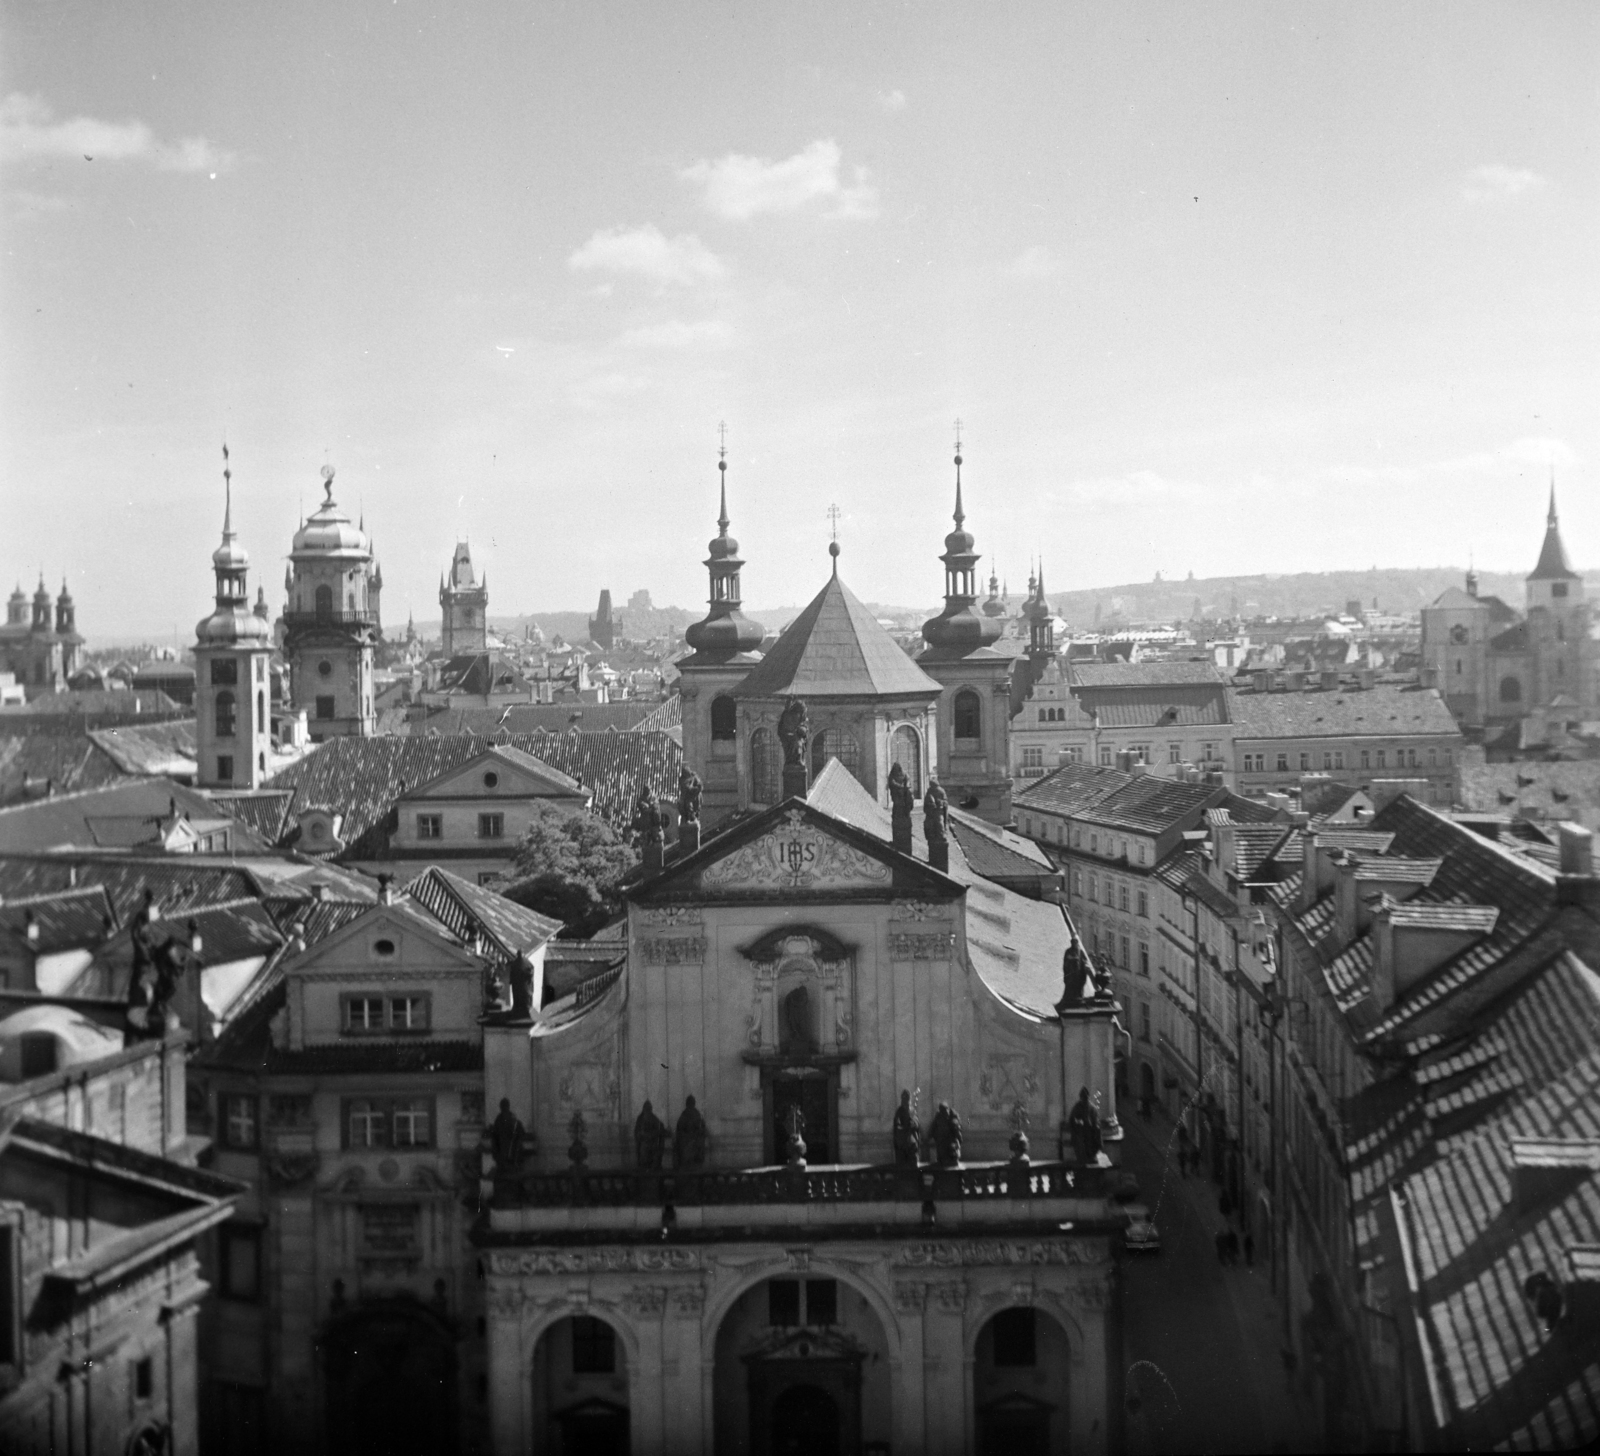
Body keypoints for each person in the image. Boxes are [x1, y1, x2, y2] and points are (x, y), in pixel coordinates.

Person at [1067, 1086, 1101, 1166]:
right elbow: (1072, 1120)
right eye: (1083, 1098)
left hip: (1090, 1133)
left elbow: (1096, 1121)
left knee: (1095, 1134)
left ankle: (1092, 1155)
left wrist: (1094, 1125)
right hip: (1080, 1133)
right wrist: (1078, 1123)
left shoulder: (1092, 1108)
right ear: (1081, 1098)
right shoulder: (1077, 1107)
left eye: (1086, 1098)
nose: (1085, 1100)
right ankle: (1082, 1157)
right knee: (1080, 1141)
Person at [489, 1098, 525, 1172]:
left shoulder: (501, 1118)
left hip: (506, 1150)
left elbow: (495, 1135)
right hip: (507, 1150)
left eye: (503, 1106)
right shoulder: (509, 1117)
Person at [674, 1095, 707, 1169]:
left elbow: (679, 1130)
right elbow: (703, 1129)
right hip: (694, 1144)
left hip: (686, 1144)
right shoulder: (698, 1115)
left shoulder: (684, 1114)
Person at [633, 1100, 667, 1170]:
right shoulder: (643, 1118)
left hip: (649, 1147)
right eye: (647, 1108)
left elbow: (660, 1129)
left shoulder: (647, 1118)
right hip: (646, 1147)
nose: (648, 1110)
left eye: (649, 1109)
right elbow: (637, 1134)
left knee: (648, 1165)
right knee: (646, 1165)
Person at [892, 1089, 921, 1168]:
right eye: (904, 1099)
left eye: (907, 1098)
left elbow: (917, 1123)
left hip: (912, 1141)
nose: (906, 1101)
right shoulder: (899, 1111)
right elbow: (897, 1125)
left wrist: (913, 1124)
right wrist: (904, 1127)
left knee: (913, 1162)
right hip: (903, 1141)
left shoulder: (912, 1111)